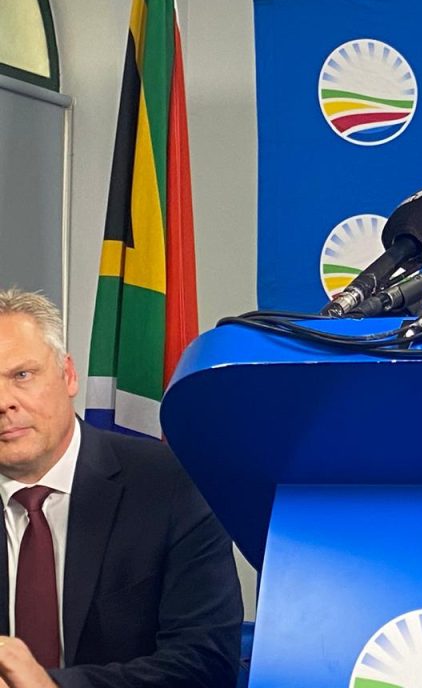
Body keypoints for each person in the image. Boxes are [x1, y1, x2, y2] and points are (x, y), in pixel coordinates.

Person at [0, 289, 242, 687]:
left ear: (68, 375)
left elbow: (204, 661)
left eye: (22, 375)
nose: (4, 402)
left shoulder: (172, 485)